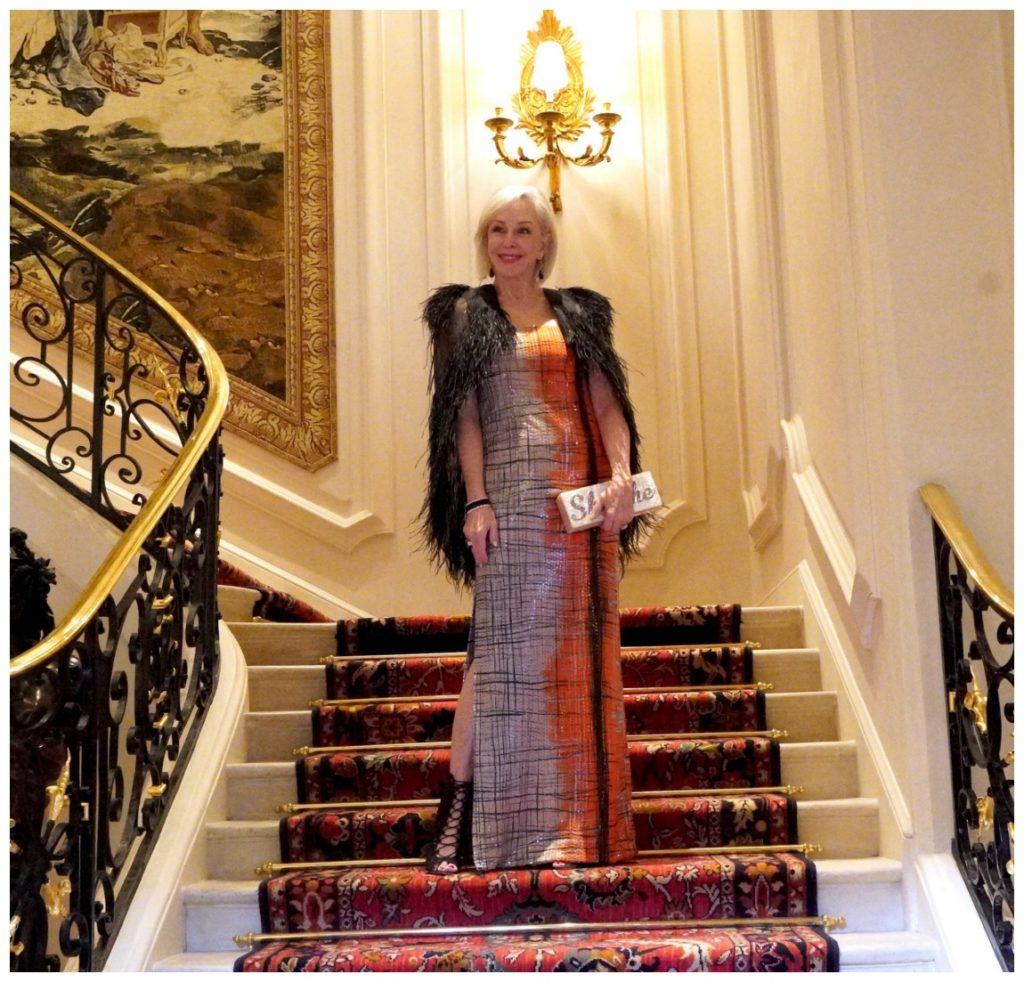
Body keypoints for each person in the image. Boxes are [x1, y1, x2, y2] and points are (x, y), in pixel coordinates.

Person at [421, 185, 652, 874]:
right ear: (484, 241)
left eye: (524, 229)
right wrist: (476, 502)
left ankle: (576, 830)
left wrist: (619, 478)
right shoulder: (465, 312)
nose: (510, 241)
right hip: (511, 503)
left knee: (575, 669)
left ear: (545, 242)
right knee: (496, 666)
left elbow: (608, 401)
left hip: (582, 508)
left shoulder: (578, 313)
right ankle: (463, 823)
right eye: (497, 229)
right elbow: (461, 416)